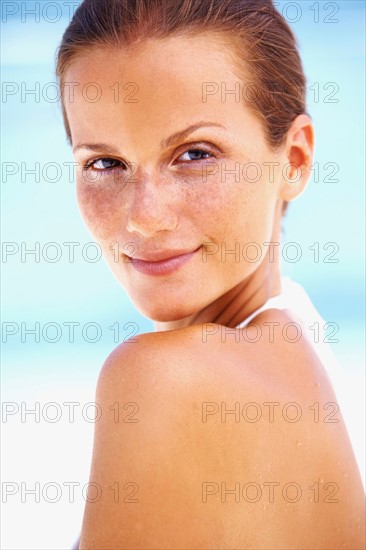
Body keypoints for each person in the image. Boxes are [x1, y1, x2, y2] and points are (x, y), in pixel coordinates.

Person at [56, 0, 365, 548]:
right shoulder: (304, 346)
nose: (144, 216)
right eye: (105, 163)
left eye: (195, 154)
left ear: (294, 160)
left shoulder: (162, 380)